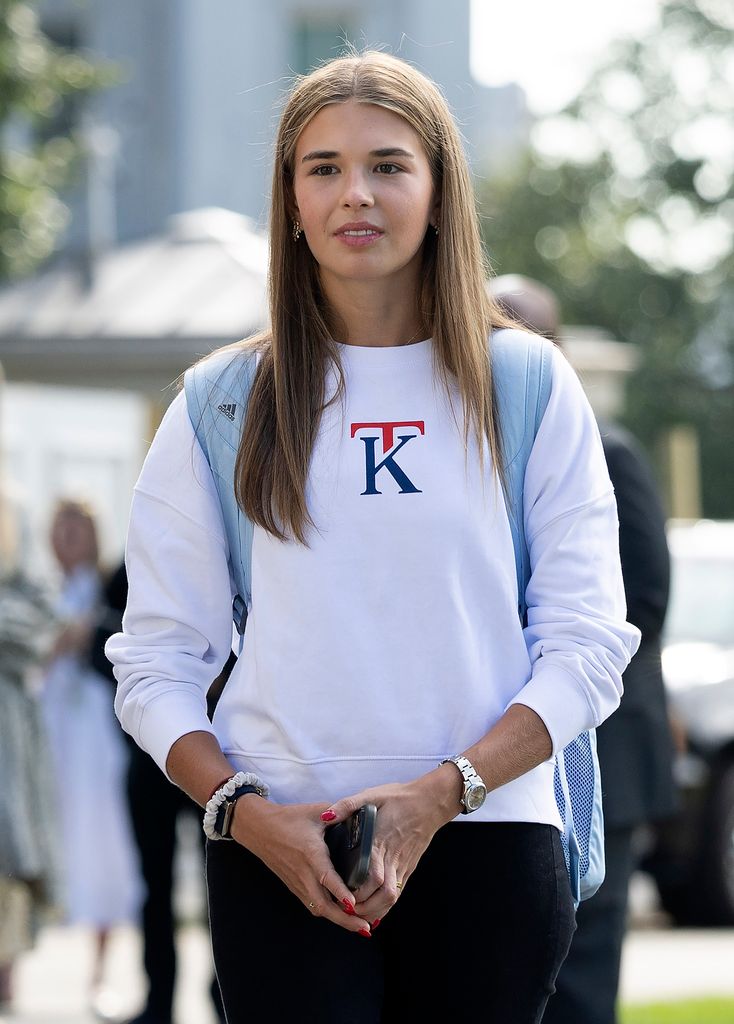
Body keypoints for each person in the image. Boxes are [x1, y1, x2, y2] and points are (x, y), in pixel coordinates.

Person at [107, 51, 640, 1024]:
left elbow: (588, 643)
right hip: (280, 839)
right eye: (323, 167)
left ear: (437, 192)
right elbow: (154, 662)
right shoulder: (222, 403)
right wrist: (239, 810)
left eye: (388, 165)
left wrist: (445, 790)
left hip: (487, 830)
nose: (355, 192)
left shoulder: (522, 383)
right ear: (291, 199)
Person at [491, 274, 677, 1024]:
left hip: (605, 759)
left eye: (517, 338)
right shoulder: (481, 450)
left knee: (581, 985)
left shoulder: (608, 450)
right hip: (511, 760)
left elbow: (644, 603)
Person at [90, 561, 226, 1024]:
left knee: (220, 882)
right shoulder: (123, 573)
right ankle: (159, 1000)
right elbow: (98, 651)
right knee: (155, 886)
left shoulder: (230, 560)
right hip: (148, 758)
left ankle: (222, 994)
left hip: (218, 755)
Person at [40, 500, 140, 1014]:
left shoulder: (113, 590)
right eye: (61, 526)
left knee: (104, 846)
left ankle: (99, 971)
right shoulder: (36, 594)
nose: (68, 536)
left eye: (78, 525)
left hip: (97, 739)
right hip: (50, 735)